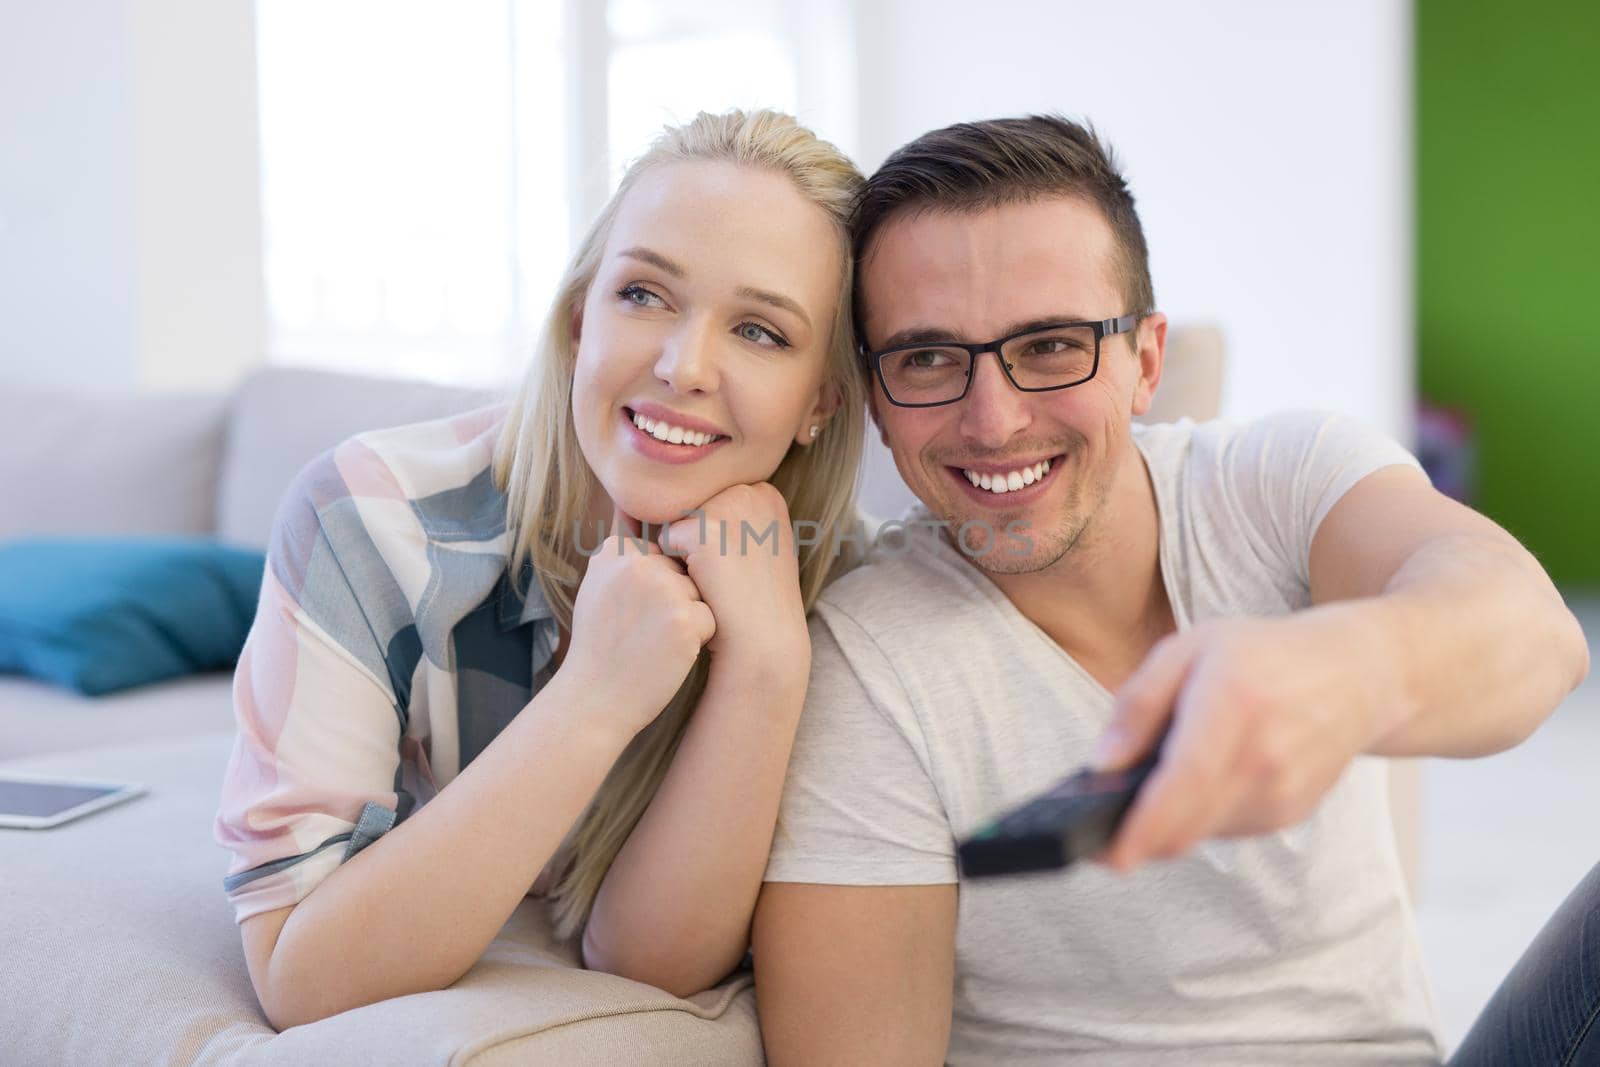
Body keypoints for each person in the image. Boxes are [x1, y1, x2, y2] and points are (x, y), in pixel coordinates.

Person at [751, 115, 1593, 1065]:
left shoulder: (1278, 479)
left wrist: (1344, 670)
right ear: (875, 394)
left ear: (1147, 360)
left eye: (1051, 344)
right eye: (929, 358)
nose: (993, 420)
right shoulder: (867, 668)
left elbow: (1536, 636)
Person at [213, 109, 868, 1029]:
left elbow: (645, 962)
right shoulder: (365, 515)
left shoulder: (844, 584)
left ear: (820, 405)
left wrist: (764, 668)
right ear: (577, 317)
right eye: (644, 294)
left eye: (761, 331)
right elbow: (301, 976)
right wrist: (595, 694)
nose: (685, 366)